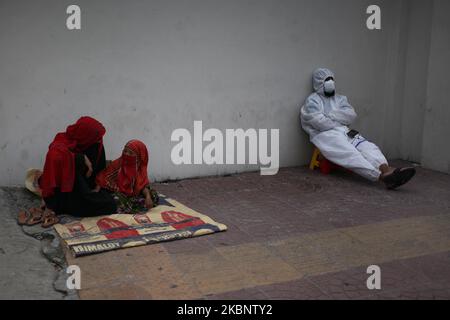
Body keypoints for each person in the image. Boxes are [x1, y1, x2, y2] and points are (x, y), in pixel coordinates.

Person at [300, 68, 416, 189]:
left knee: (368, 147)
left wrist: (329, 115)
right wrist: (339, 118)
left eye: (331, 79)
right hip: (325, 134)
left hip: (344, 131)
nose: (330, 82)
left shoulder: (340, 99)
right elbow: (319, 123)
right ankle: (381, 177)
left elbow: (350, 115)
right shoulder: (313, 101)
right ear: (319, 83)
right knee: (350, 153)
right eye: (326, 80)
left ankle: (386, 169)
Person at [19, 116, 117, 227]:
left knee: (110, 203)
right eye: (96, 137)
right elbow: (54, 160)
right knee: (106, 205)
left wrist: (99, 184)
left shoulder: (96, 144)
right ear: (86, 135)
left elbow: (100, 169)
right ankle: (56, 206)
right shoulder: (63, 141)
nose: (99, 140)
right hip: (65, 191)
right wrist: (78, 158)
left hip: (87, 188)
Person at [95, 139, 159, 214]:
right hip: (119, 193)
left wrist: (148, 197)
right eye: (125, 151)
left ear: (138, 156)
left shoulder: (139, 168)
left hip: (134, 195)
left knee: (153, 195)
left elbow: (143, 186)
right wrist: (96, 190)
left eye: (131, 153)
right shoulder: (118, 164)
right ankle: (132, 206)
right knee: (115, 200)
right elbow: (103, 178)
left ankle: (131, 206)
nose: (127, 154)